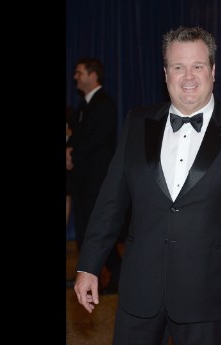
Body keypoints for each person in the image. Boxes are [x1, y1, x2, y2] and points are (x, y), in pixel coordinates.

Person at [73, 26, 221, 345]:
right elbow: (111, 201)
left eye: (197, 66)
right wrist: (88, 266)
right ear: (165, 72)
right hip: (140, 288)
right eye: (178, 66)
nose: (188, 76)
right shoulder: (136, 123)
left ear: (213, 71)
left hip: (207, 292)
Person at [67, 57, 122, 293]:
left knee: (98, 232)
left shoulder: (104, 104)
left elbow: (94, 141)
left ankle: (118, 276)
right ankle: (88, 277)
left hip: (96, 182)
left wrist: (73, 152)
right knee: (85, 232)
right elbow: (80, 138)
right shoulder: (84, 105)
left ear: (92, 75)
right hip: (82, 181)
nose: (75, 77)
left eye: (79, 72)